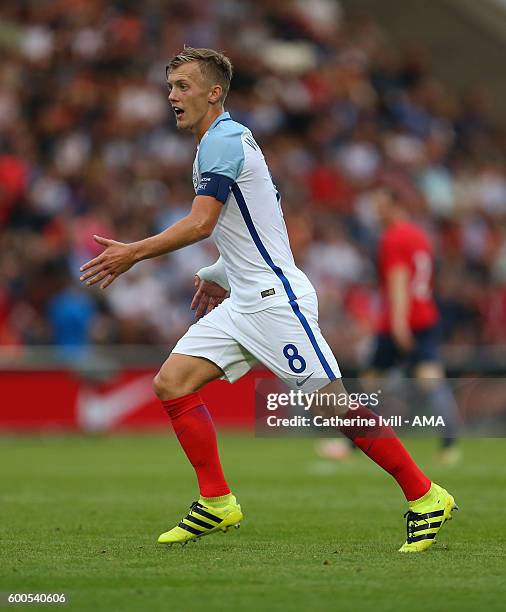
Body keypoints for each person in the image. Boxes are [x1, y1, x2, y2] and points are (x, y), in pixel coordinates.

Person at [79, 47, 457, 552]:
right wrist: (219, 271)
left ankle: (425, 494)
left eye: (183, 86)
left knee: (334, 409)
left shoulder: (223, 141)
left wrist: (134, 253)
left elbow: (202, 223)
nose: (172, 96)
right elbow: (253, 226)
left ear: (214, 92)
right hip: (243, 301)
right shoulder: (222, 140)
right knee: (172, 383)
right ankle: (216, 501)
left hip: (276, 303)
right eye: (170, 87)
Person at [319, 185, 461, 464]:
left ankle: (354, 444)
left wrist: (397, 323)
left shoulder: (393, 238)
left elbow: (398, 281)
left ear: (394, 204)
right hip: (426, 316)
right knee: (431, 379)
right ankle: (450, 445)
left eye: (380, 204)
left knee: (371, 380)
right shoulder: (419, 235)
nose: (375, 210)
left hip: (400, 320)